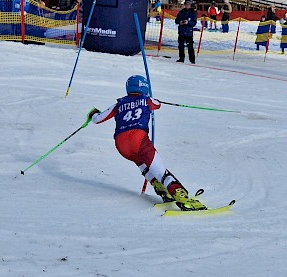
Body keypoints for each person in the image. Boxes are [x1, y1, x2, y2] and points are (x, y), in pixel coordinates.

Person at [87, 75, 207, 211]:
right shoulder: (146, 99)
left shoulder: (118, 103)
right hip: (138, 139)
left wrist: (93, 113)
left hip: (121, 144)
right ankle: (182, 197)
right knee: (161, 171)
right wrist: (152, 99)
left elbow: (97, 119)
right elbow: (157, 104)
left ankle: (161, 188)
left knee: (143, 164)